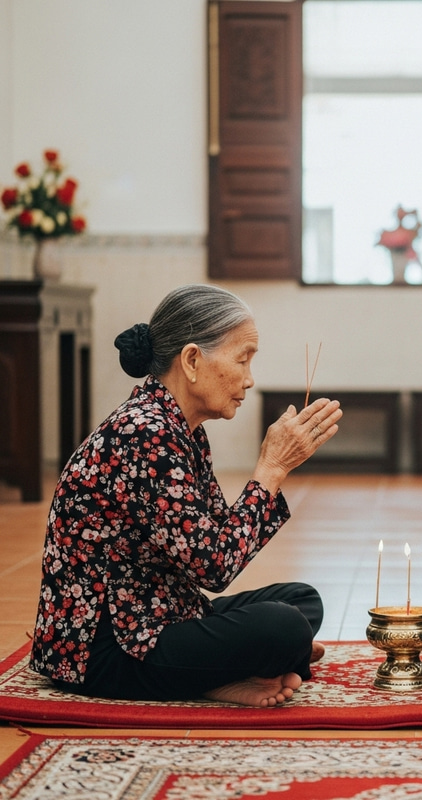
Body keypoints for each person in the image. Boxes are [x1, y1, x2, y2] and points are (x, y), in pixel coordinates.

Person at [31, 284, 342, 707]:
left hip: (158, 610)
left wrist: (275, 469)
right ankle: (222, 673)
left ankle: (225, 670)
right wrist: (270, 470)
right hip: (104, 647)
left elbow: (216, 540)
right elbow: (214, 568)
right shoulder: (145, 434)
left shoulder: (180, 429)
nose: (249, 379)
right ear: (193, 360)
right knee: (283, 627)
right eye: (242, 359)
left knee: (302, 601)